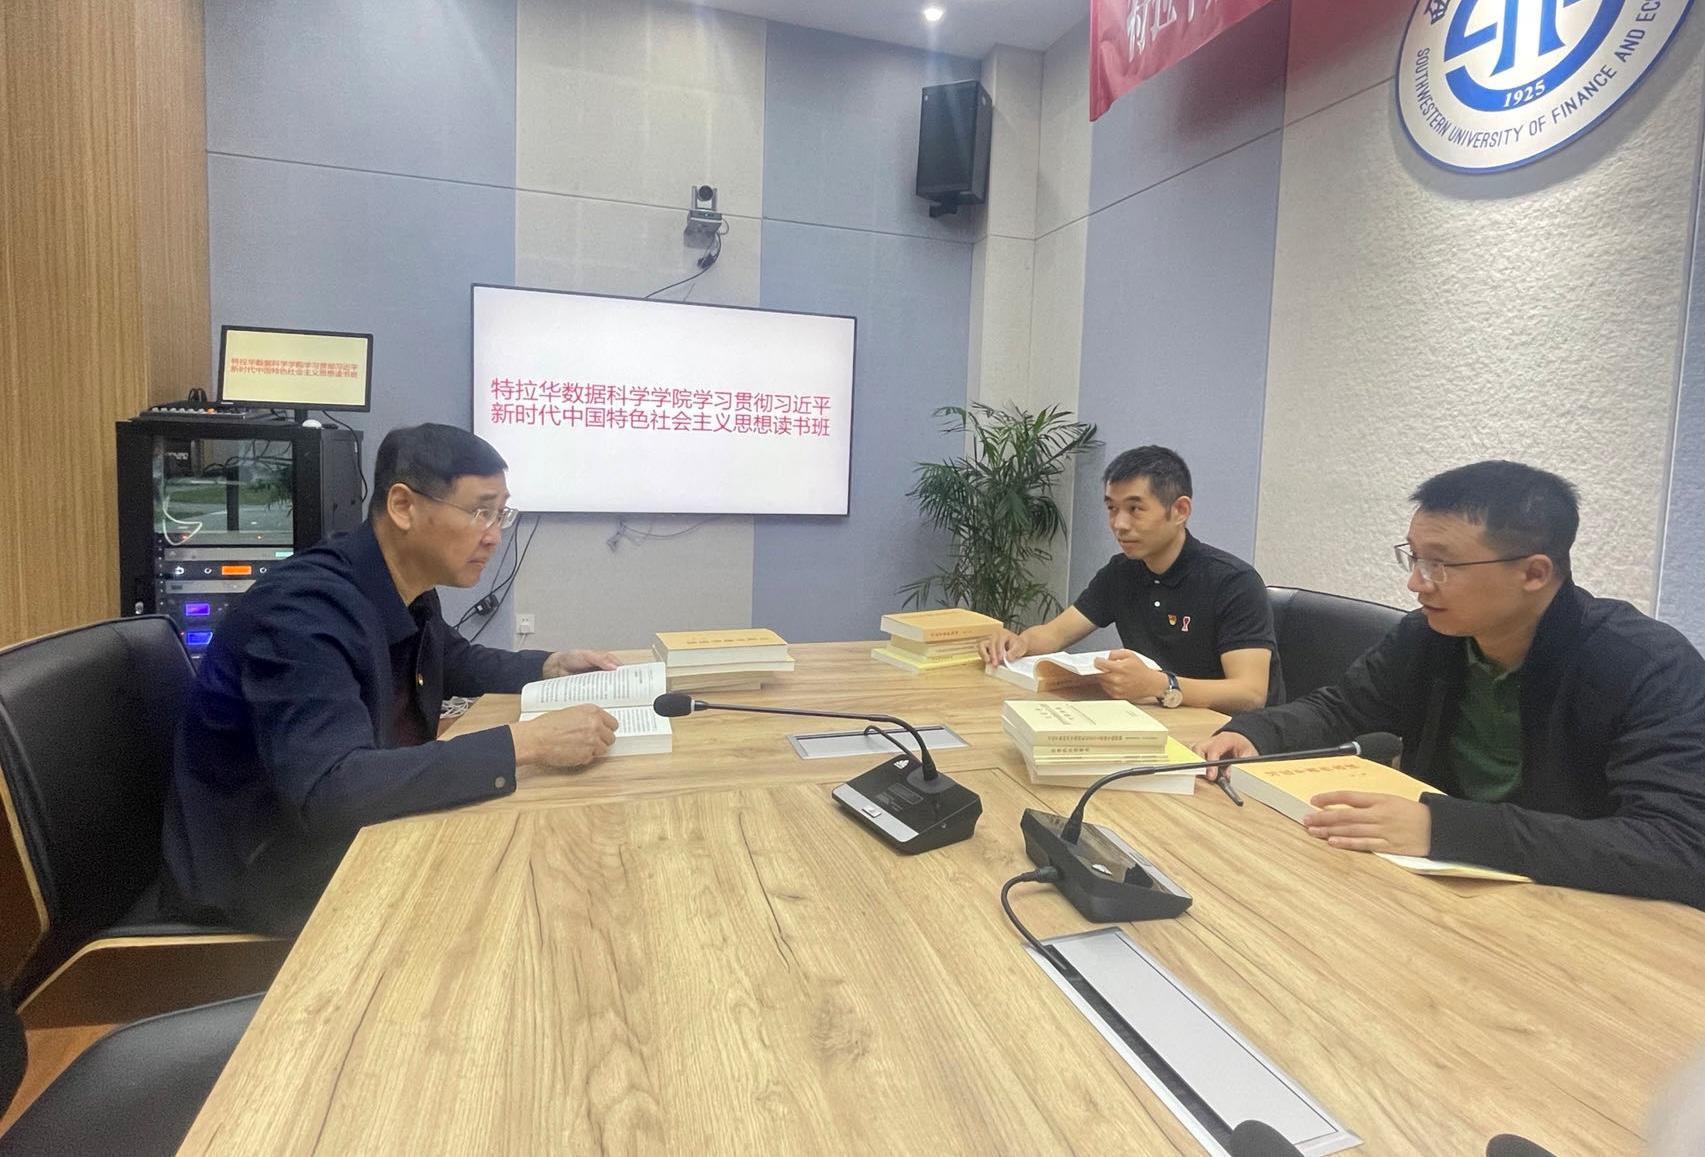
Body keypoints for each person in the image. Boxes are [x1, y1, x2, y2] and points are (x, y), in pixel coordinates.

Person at [162, 423, 621, 933]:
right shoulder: (302, 613)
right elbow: (332, 789)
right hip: (269, 871)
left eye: (501, 515)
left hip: (347, 836)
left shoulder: (398, 582)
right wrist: (526, 743)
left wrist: (549, 666)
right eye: (480, 512)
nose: (493, 535)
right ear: (403, 506)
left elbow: (453, 659)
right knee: (535, 889)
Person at [1198, 460, 1705, 908]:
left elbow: (1677, 846)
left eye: (1440, 564)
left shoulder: (1644, 665)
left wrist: (1442, 827)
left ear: (1534, 573)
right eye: (1413, 557)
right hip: (1438, 892)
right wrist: (1256, 732)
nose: (1416, 583)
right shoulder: (1431, 635)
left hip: (1580, 912)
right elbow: (1343, 707)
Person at [978, 445, 1280, 713]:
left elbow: (1250, 694)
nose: (1119, 524)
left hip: (1229, 736)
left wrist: (1160, 684)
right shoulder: (1122, 572)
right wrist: (1019, 642)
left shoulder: (1233, 582)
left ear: (1180, 510)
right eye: (1112, 509)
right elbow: (1054, 634)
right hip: (1156, 718)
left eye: (1135, 509)